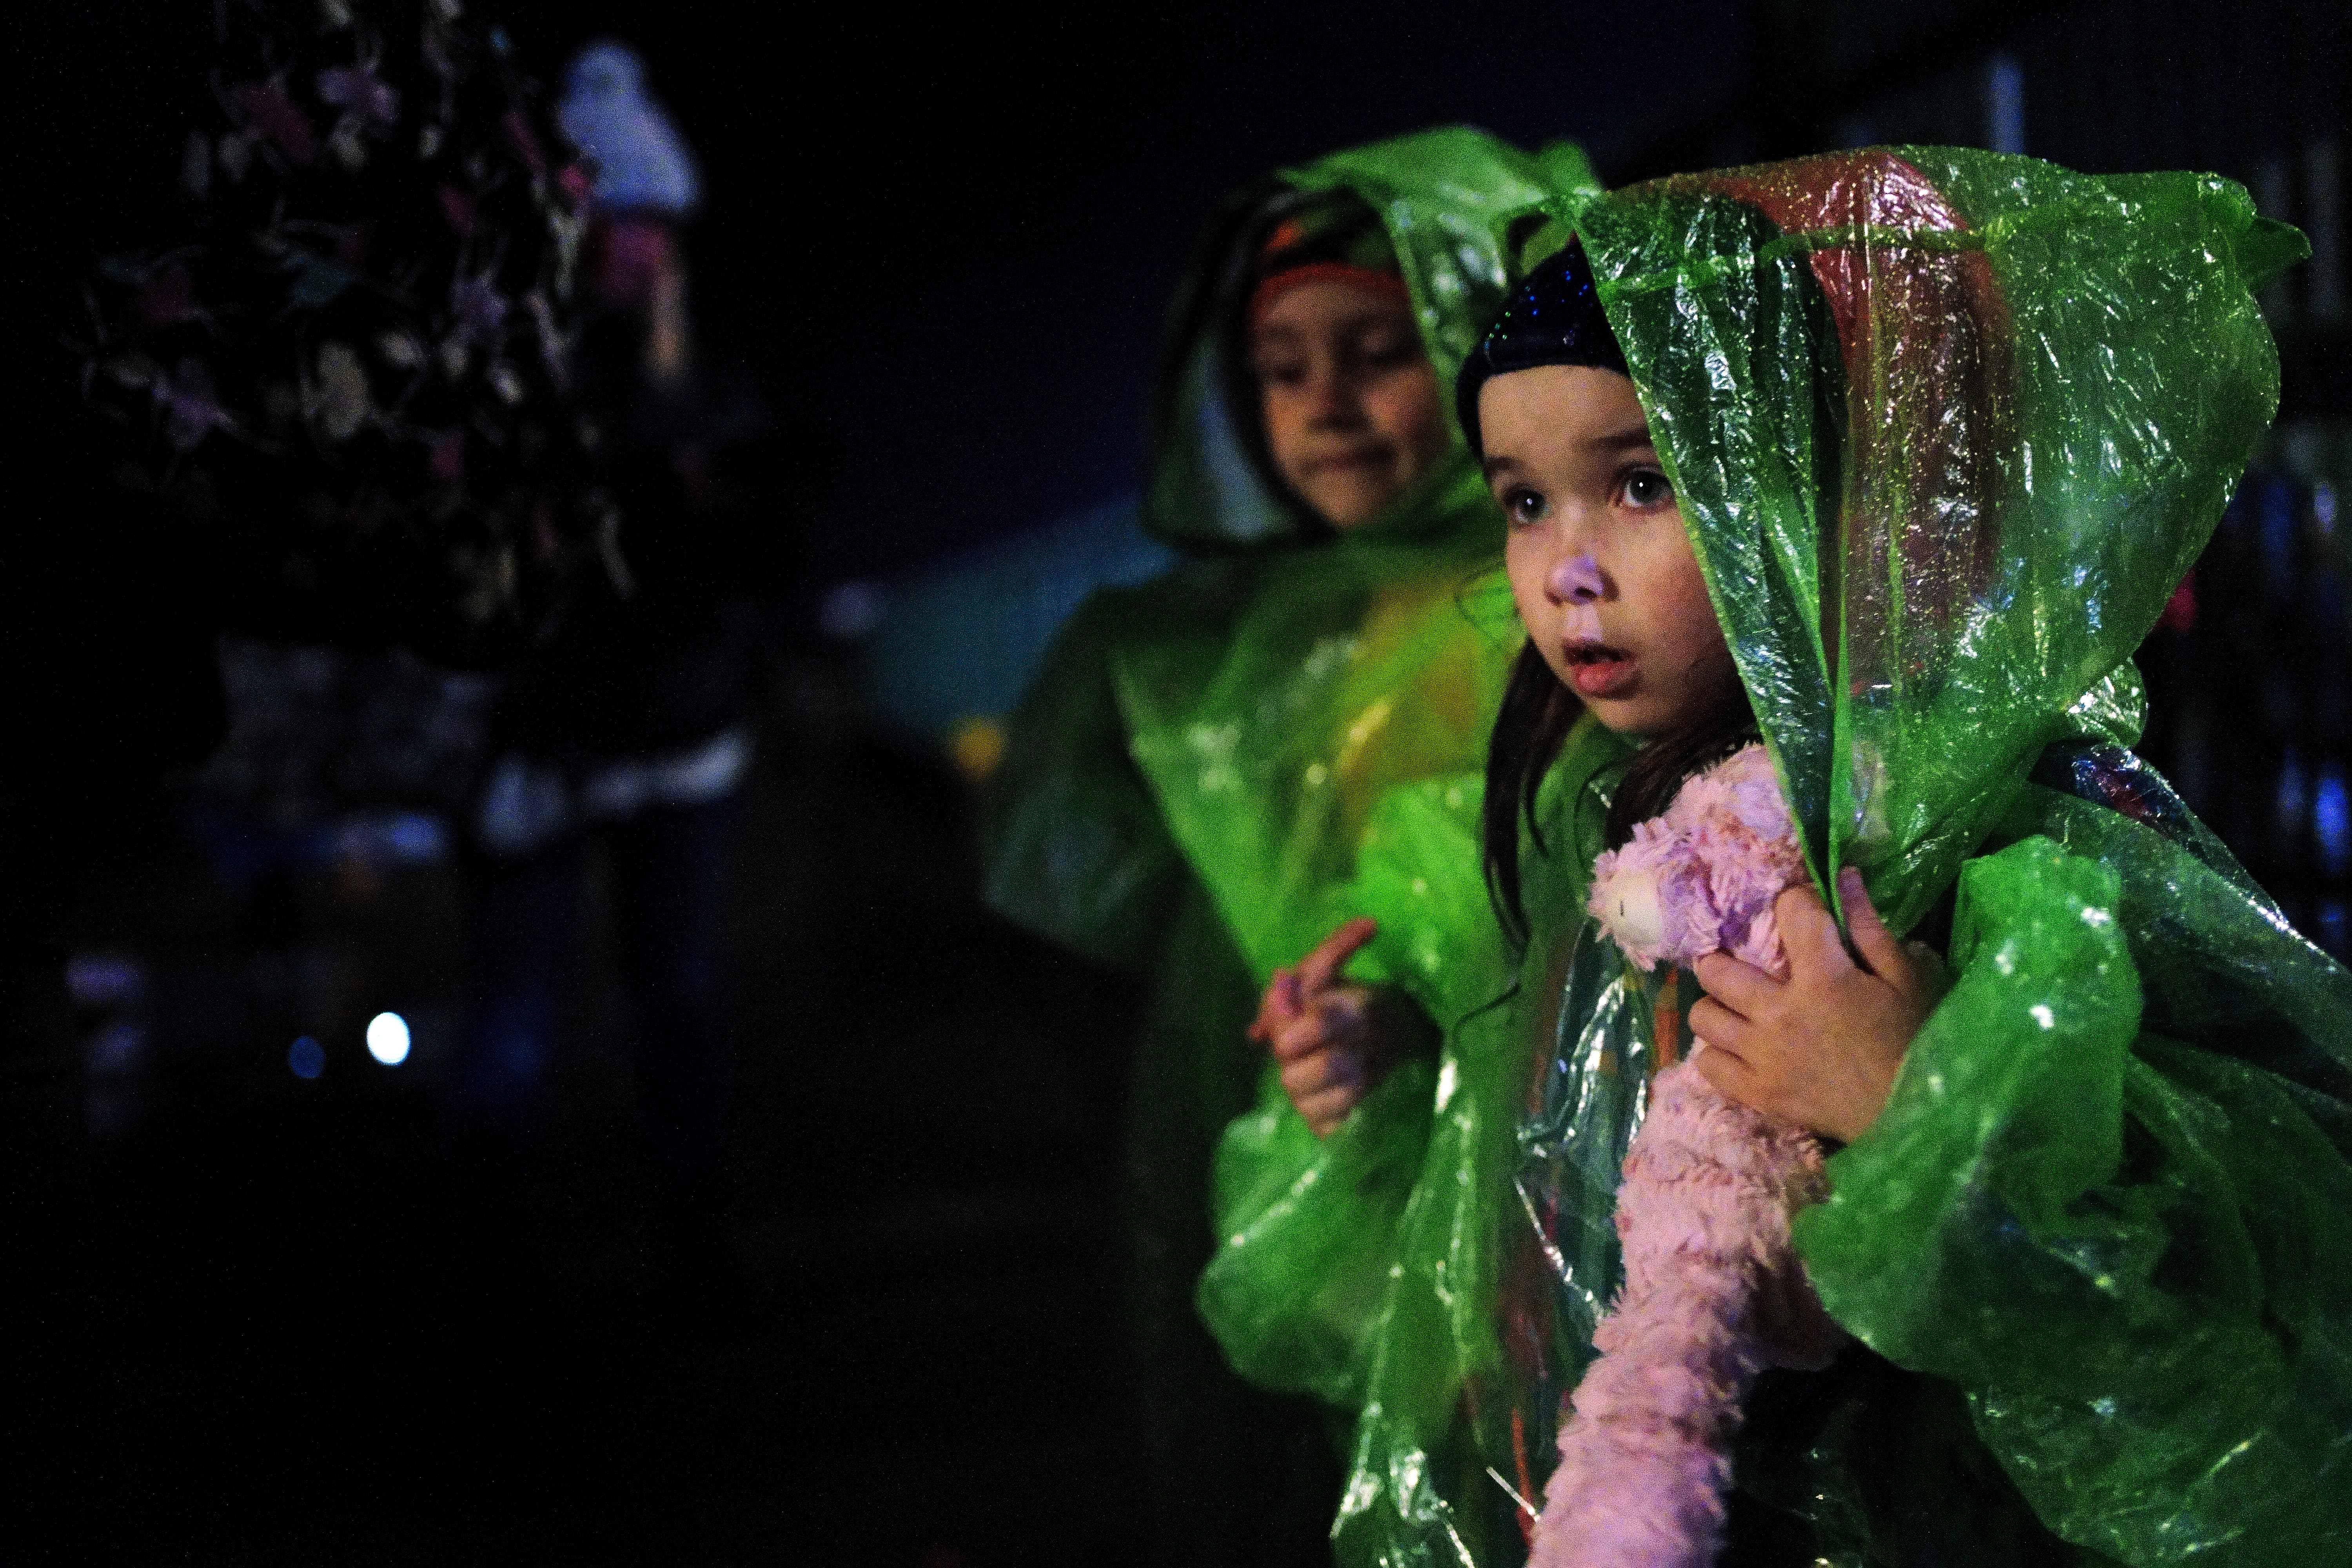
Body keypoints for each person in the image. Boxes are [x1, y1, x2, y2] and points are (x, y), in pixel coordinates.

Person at [1285, 149, 2352, 1565]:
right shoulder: (1596, 828)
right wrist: (1394, 1066)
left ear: (1833, 492)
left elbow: (2242, 1281)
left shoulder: (1996, 830)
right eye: (1525, 501)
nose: (1567, 571)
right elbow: (1534, 1186)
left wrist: (1919, 1100)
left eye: (1647, 482)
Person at [980, 127, 1595, 1564]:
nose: (1325, 404)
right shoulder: (1242, 638)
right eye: (1282, 367)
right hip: (1295, 1131)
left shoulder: (1563, 611)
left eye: (1380, 346)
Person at [449, 41, 775, 1317]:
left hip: (677, 732)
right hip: (534, 742)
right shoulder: (506, 365)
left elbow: (755, 548)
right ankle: (498, 1272)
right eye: (607, 224)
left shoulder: (707, 376)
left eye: (647, 227)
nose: (630, 253)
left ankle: (695, 1250)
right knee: (512, 1025)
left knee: (675, 1003)